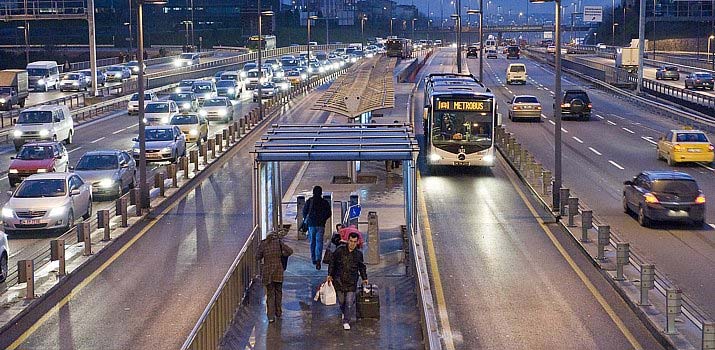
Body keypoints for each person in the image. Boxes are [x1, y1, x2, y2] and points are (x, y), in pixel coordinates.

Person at [327, 232, 368, 330]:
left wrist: (364, 278)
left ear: (357, 242)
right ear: (347, 241)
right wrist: (329, 275)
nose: (352, 244)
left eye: (354, 242)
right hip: (339, 280)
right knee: (341, 301)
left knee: (349, 301)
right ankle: (345, 312)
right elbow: (332, 263)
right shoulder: (339, 251)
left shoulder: (358, 254)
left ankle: (346, 320)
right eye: (351, 241)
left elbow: (361, 267)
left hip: (352, 281)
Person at [256, 231, 293, 323]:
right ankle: (278, 312)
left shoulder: (263, 243)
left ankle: (270, 316)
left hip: (268, 272)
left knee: (270, 294)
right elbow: (290, 251)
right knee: (278, 292)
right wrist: (282, 255)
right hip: (278, 271)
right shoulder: (279, 243)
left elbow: (257, 257)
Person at [303, 185, 332, 270]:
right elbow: (329, 213)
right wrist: (323, 219)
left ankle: (314, 259)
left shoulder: (310, 201)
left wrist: (308, 220)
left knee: (312, 242)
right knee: (319, 242)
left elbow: (304, 212)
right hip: (320, 225)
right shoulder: (324, 202)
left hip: (311, 225)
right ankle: (318, 259)